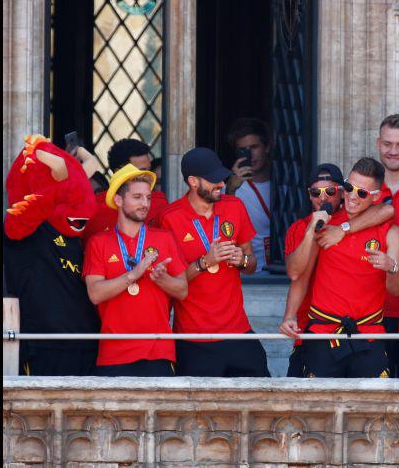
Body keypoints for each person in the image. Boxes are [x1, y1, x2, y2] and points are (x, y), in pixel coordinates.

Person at [280, 158, 399, 377]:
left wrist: (391, 267)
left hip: (369, 333)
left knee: (371, 409)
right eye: (349, 188)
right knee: (319, 408)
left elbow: (395, 289)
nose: (353, 196)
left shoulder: (388, 230)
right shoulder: (326, 224)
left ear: (375, 195)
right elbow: (301, 278)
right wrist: (289, 316)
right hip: (323, 332)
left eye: (362, 193)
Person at [155, 147, 271, 377]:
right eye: (213, 180)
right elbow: (171, 283)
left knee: (261, 402)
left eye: (222, 177)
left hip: (238, 331)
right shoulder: (169, 218)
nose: (220, 184)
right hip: (193, 338)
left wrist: (242, 259)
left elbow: (252, 265)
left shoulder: (234, 206)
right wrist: (205, 262)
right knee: (197, 412)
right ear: (193, 182)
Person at [4, 135, 100, 376]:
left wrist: (73, 173)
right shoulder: (29, 227)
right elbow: (19, 220)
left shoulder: (72, 231)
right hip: (44, 343)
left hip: (86, 341)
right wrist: (51, 185)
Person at [82, 164, 188, 376]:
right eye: (137, 197)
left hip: (158, 350)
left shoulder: (163, 237)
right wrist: (134, 274)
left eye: (148, 198)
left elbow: (182, 290)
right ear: (119, 200)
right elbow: (95, 294)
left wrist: (162, 279)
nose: (145, 204)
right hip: (113, 352)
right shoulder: (98, 242)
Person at [355, 113, 399, 376]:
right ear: (377, 143)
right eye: (388, 144)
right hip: (367, 311)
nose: (393, 151)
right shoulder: (359, 191)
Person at [81, 139, 168, 245]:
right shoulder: (92, 209)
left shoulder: (159, 202)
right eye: (141, 171)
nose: (147, 175)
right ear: (119, 172)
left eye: (149, 170)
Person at [223, 118, 273, 273]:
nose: (251, 154)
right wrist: (231, 188)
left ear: (267, 147)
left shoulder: (286, 185)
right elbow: (221, 226)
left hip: (282, 269)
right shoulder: (230, 189)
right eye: (243, 150)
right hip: (249, 273)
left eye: (254, 147)